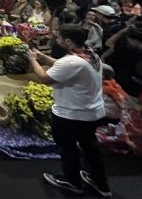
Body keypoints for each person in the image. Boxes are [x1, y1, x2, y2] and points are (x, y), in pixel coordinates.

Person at [27, 24, 110, 197]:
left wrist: (33, 60)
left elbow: (44, 78)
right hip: (92, 112)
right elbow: (62, 65)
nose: (56, 40)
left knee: (68, 148)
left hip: (71, 114)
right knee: (90, 147)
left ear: (69, 41)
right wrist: (42, 56)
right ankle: (99, 182)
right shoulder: (90, 53)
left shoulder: (70, 62)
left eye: (58, 38)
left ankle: (72, 181)